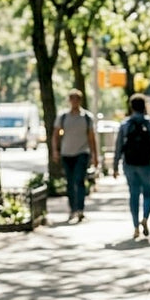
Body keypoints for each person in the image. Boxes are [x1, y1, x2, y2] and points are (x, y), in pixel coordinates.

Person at [113, 93, 150, 239]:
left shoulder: (125, 125)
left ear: (131, 107)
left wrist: (115, 166)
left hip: (130, 165)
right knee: (148, 194)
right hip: (148, 164)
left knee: (134, 194)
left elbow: (118, 147)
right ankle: (145, 218)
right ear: (145, 107)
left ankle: (135, 226)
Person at [52, 89, 98, 222]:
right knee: (70, 182)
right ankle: (72, 209)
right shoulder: (63, 117)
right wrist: (55, 151)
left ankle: (80, 209)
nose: (74, 102)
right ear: (69, 101)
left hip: (82, 152)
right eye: (72, 99)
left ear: (80, 101)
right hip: (66, 153)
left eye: (77, 99)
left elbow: (91, 137)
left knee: (79, 180)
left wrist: (94, 155)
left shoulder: (87, 117)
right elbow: (55, 135)